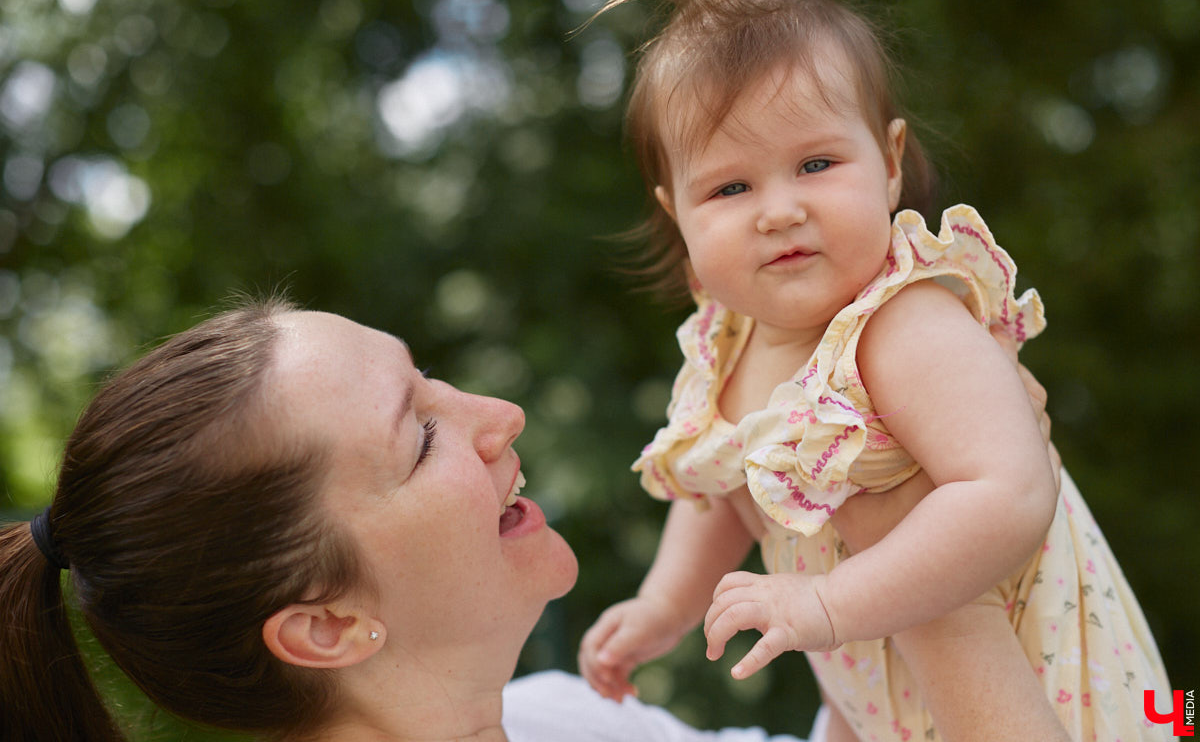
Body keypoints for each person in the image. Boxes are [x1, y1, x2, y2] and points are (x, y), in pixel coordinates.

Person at [577, 0, 1171, 740]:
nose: (779, 209)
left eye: (816, 163)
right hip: (888, 700)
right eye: (730, 187)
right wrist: (666, 604)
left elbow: (1008, 493)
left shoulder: (899, 324)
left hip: (1048, 691)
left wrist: (826, 604)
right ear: (675, 211)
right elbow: (729, 481)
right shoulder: (732, 343)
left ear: (889, 163)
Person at [0, 297, 828, 742]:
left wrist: (858, 555)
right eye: (423, 436)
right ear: (326, 625)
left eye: (430, 376)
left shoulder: (561, 718)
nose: (501, 414)